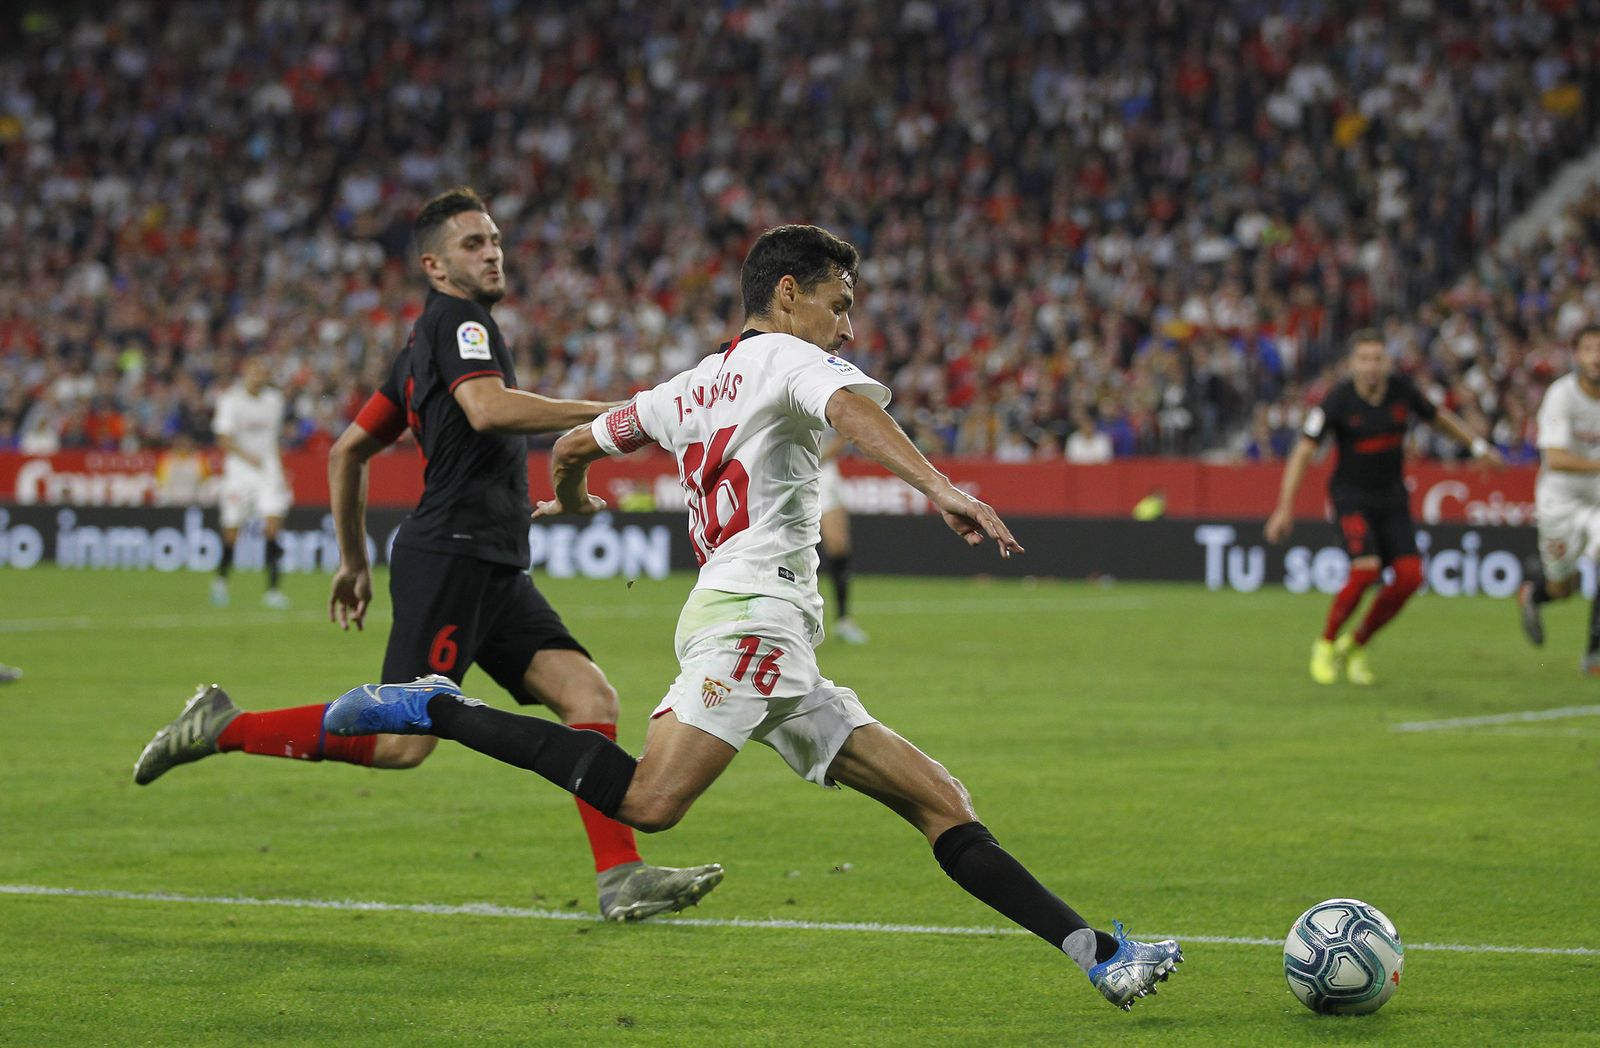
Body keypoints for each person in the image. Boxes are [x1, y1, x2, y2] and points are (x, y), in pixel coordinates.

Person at [324, 224, 1183, 1011]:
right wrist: (943, 489)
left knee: (941, 801)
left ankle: (1100, 952)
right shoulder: (786, 361)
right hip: (751, 622)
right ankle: (441, 705)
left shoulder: (691, 384)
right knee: (651, 800)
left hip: (768, 634)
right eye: (838, 306)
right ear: (786, 295)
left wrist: (576, 504)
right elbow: (853, 407)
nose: (847, 330)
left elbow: (576, 445)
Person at [134, 187, 723, 922]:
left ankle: (619, 877)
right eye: (474, 244)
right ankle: (223, 725)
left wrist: (352, 560)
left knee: (590, 698)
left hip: (493, 563)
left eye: (496, 240)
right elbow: (487, 408)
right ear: (435, 266)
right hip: (451, 555)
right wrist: (623, 415)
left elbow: (351, 452)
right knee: (403, 744)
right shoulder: (459, 322)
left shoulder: (419, 346)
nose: (493, 252)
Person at [1266, 329, 1502, 684]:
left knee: (1410, 577)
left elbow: (1438, 418)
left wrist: (1478, 446)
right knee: (1365, 571)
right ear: (1352, 364)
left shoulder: (1402, 391)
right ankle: (1325, 643)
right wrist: (1285, 508)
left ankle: (1356, 644)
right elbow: (1303, 451)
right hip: (1351, 498)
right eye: (1364, 359)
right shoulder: (1338, 400)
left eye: (1377, 358)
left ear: (1387, 362)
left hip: (1392, 498)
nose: (1371, 366)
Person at [1517, 325, 1600, 672]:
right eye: (1590, 349)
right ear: (1576, 355)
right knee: (1561, 587)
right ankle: (1534, 594)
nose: (1598, 356)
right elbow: (1556, 458)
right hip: (1561, 501)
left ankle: (1595, 652)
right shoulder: (1561, 395)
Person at [210, 358, 293, 608]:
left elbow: (273, 438)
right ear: (245, 372)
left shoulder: (274, 401)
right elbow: (223, 439)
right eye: (254, 370)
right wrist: (249, 458)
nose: (259, 375)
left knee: (273, 526)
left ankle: (273, 590)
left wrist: (278, 468)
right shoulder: (230, 400)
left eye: (262, 371)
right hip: (239, 474)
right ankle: (221, 582)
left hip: (268, 472)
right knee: (232, 531)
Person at [818, 431, 867, 644]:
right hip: (786, 471)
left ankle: (843, 620)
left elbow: (844, 432)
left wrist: (822, 455)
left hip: (822, 472)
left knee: (838, 547)